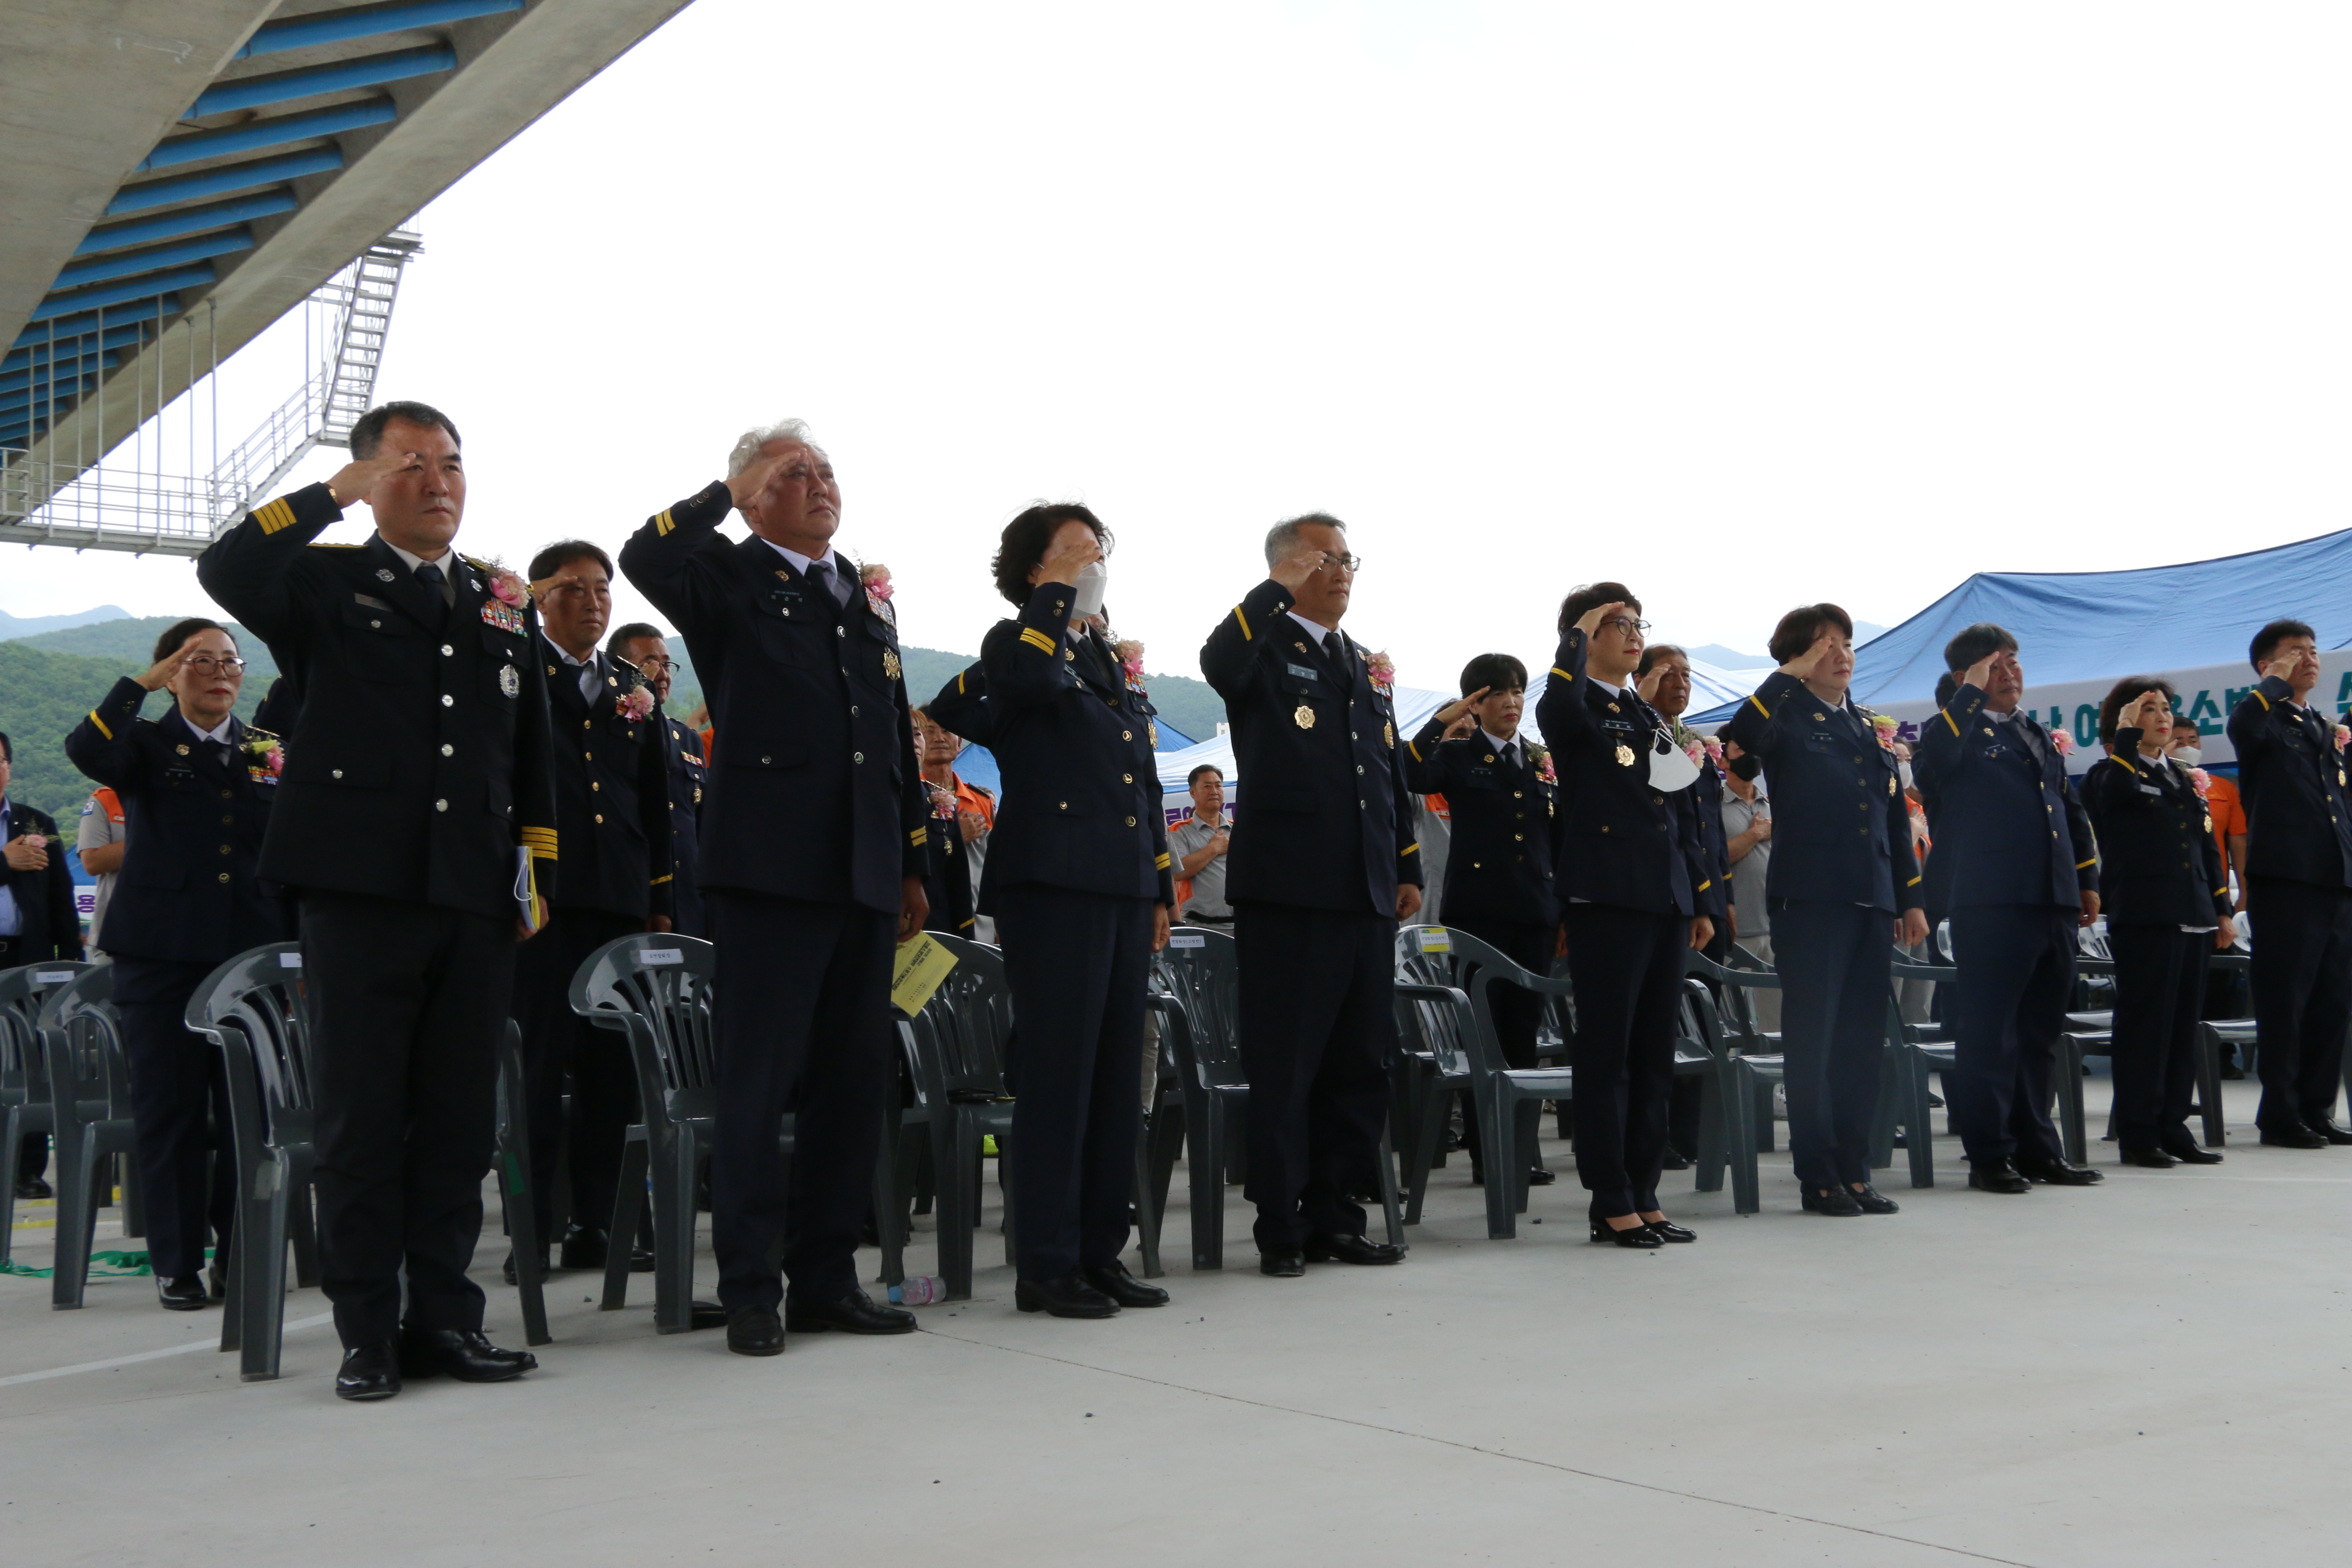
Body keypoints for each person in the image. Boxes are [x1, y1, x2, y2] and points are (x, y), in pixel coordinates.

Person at [194, 399, 554, 1400]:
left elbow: (529, 751)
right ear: (369, 479)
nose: (438, 482)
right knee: (360, 1117)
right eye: (411, 464)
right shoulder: (323, 580)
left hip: (475, 890)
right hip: (360, 888)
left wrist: (534, 875)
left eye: (451, 464)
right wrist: (331, 495)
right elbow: (227, 571)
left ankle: (446, 1319)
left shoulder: (499, 603)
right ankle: (367, 1332)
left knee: (456, 1120)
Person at [618, 419, 928, 1356]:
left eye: (825, 470)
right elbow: (645, 555)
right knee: (759, 1083)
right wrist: (729, 490)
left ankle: (827, 1279)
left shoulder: (862, 596)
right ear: (755, 496)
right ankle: (752, 1286)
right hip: (770, 869)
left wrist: (911, 860)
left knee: (850, 1083)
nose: (820, 483)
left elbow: (890, 736)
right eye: (795, 473)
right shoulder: (726, 575)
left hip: (863, 869)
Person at [1199, 512, 1420, 1277]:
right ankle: (1282, 1224)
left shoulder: (1360, 662)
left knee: (1359, 1063)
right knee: (1288, 1063)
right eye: (1326, 558)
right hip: (1291, 889)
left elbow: (1386, 773)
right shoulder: (1263, 645)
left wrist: (1406, 864)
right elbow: (1218, 660)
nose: (1343, 570)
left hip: (1364, 890)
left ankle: (1337, 1214)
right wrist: (1272, 589)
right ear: (1289, 566)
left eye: (1349, 559)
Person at [975, 504, 1174, 1317]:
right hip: (1054, 886)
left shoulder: (1102, 657)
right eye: (1073, 551)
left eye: (1098, 549)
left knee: (1116, 1079)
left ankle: (1100, 1250)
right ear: (1034, 570)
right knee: (1060, 1078)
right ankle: (1047, 1263)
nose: (1093, 561)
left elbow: (1140, 778)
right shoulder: (1013, 642)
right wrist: (1054, 600)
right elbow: (1026, 681)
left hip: (1120, 886)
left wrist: (1158, 884)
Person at [64, 618, 294, 1307]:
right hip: (160, 957)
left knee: (250, 1113)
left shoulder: (266, 748)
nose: (221, 673)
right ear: (171, 673)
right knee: (171, 1111)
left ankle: (241, 1252)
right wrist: (140, 683)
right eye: (202, 661)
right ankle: (178, 1262)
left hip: (248, 960)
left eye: (231, 661)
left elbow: (288, 852)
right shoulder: (141, 742)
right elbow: (87, 749)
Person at [1724, 604, 1924, 1216]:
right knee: (1814, 1042)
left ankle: (1855, 1171)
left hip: (1871, 900)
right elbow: (1742, 738)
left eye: (1846, 643)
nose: (1841, 655)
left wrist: (1910, 898)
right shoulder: (1784, 718)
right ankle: (1818, 1175)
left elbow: (1893, 820)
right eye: (1823, 645)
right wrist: (1786, 676)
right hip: (1811, 900)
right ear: (1797, 659)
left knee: (1861, 1042)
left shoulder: (1865, 727)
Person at [509, 544, 672, 1277]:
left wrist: (659, 900)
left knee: (613, 1070)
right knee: (538, 1068)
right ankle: (533, 1230)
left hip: (617, 896)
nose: (593, 601)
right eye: (573, 588)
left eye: (602, 588)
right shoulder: (514, 670)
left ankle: (599, 1223)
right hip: (540, 901)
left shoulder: (629, 686)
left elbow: (655, 801)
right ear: (540, 598)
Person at [1534, 584, 1713, 1248]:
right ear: (1586, 635)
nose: (1635, 635)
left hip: (1663, 899)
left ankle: (1644, 1192)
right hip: (1608, 898)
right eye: (1619, 624)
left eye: (1639, 624)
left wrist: (1697, 898)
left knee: (1652, 1055)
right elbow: (1555, 712)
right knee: (1607, 1056)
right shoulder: (1575, 703)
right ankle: (1610, 1199)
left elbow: (1680, 812)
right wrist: (1574, 640)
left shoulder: (1642, 713)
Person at [1912, 622, 2104, 1194]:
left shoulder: (2034, 732)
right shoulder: (1951, 733)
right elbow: (1934, 763)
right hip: (1991, 901)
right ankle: (1990, 1153)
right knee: (1990, 1035)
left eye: (2014, 662)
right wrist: (1970, 695)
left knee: (2039, 1034)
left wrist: (2086, 879)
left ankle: (2038, 1149)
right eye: (1995, 666)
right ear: (1965, 677)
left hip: (2052, 899)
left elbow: (2067, 811)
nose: (2010, 673)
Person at [1400, 652, 1559, 1188]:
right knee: (1483, 1036)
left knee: (1524, 1035)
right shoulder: (1458, 754)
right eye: (1497, 694)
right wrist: (1444, 719)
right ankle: (1487, 1152)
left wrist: (1563, 910)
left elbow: (1557, 838)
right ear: (1476, 702)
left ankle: (1521, 1149)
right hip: (1479, 917)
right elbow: (1409, 770)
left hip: (1535, 914)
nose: (1511, 702)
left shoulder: (1539, 759)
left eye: (1517, 691)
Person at [2081, 677, 2232, 1167]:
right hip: (2146, 913)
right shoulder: (2108, 773)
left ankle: (2173, 1126)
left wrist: (2222, 909)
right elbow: (2117, 797)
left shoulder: (2183, 777)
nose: (2163, 717)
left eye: (2166, 708)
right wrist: (2126, 738)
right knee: (2146, 1027)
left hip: (2193, 913)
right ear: (2124, 721)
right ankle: (2139, 1133)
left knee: (2183, 1028)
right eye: (2149, 709)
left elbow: (2207, 848)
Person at [2226, 619, 2352, 1146]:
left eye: (2314, 650)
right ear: (2267, 665)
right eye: (2296, 651)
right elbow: (2243, 727)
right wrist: (2272, 686)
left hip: (2335, 878)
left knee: (2332, 1002)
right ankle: (2281, 1115)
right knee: (2287, 1002)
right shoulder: (2262, 718)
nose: (2311, 658)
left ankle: (2316, 1108)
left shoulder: (2320, 724)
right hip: (2287, 878)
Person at [1635, 643, 1727, 1168]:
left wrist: (1718, 900)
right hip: (1665, 902)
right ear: (1642, 681)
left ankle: (1696, 1133)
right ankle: (1659, 1134)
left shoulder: (1695, 744)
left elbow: (1707, 833)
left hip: (1704, 903)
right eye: (1669, 674)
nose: (1682, 683)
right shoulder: (1637, 739)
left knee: (1702, 1023)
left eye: (1687, 675)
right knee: (1662, 1025)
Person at [3, 729, 85, 1199]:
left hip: (27, 960)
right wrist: (3, 863)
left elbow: (60, 900)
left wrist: (71, 962)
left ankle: (27, 1169)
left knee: (31, 1064)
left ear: (9, 767)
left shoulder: (36, 822)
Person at [609, 622, 708, 939]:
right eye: (649, 665)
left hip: (689, 896)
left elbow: (701, 821)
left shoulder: (688, 739)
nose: (662, 675)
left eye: (667, 664)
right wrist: (638, 692)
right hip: (636, 889)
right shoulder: (613, 728)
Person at [1717, 738, 1779, 1030]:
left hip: (1775, 928)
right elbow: (1713, 860)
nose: (1750, 757)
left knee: (1778, 1022)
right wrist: (1754, 835)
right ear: (1722, 761)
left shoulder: (1773, 803)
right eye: (1740, 751)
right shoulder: (1713, 805)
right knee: (1731, 1023)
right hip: (1737, 932)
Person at [910, 706, 979, 937]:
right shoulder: (875, 797)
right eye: (928, 732)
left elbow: (957, 877)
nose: (915, 742)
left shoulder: (938, 799)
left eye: (917, 734)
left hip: (941, 924)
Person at [1168, 764, 1234, 925]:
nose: (1214, 791)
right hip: (1200, 923)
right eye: (1207, 786)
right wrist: (1214, 849)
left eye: (1218, 786)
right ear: (1193, 792)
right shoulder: (1179, 831)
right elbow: (1178, 872)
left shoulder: (1237, 829)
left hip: (1241, 923)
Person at [75, 785, 127, 956]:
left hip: (176, 933)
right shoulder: (107, 799)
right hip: (114, 935)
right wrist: (154, 835)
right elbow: (92, 863)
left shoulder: (191, 800)